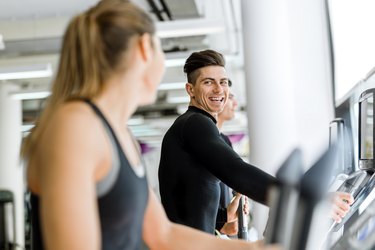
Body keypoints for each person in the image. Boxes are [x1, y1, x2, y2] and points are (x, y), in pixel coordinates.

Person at [21, 1, 281, 250]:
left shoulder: (121, 136)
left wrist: (257, 248)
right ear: (146, 48)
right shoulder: (76, 127)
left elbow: (163, 236)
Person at [158, 49, 354, 236]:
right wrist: (302, 200)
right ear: (190, 90)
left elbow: (187, 206)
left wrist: (225, 217)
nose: (219, 89)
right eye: (208, 82)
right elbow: (235, 171)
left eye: (224, 82)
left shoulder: (197, 125)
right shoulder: (195, 123)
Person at [215, 84, 249, 237]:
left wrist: (235, 211)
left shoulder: (224, 141)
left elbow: (226, 228)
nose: (235, 104)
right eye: (231, 98)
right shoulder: (206, 142)